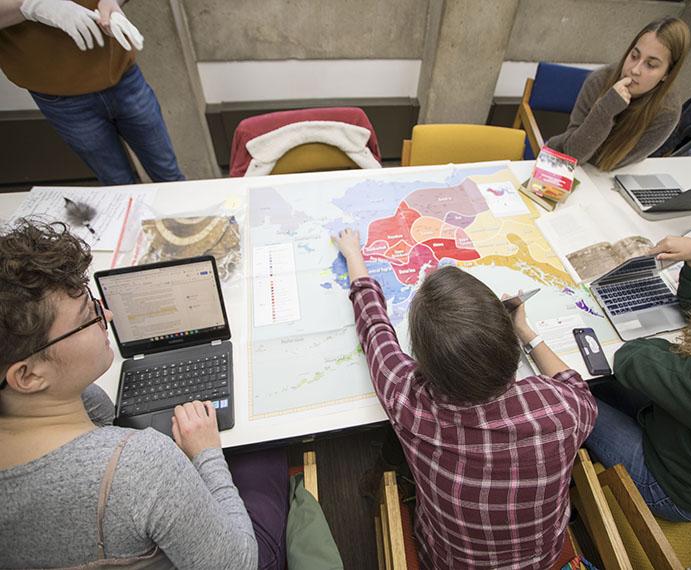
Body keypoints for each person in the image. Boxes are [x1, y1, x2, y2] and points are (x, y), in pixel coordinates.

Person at [0, 220, 287, 569]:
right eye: (87, 317)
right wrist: (207, 454)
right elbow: (238, 563)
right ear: (27, 376)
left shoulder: (33, 404)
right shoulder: (142, 465)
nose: (105, 314)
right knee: (266, 447)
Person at [332, 228, 597, 570]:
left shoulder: (409, 401)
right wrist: (525, 329)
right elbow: (575, 385)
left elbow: (374, 329)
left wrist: (354, 255)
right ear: (507, 346)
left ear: (425, 364)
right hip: (543, 562)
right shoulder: (560, 409)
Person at [584, 235, 691, 522]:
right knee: (599, 383)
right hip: (678, 434)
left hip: (673, 486)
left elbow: (633, 357)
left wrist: (678, 352)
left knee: (568, 397)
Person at [0, 0, 184, 185]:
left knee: (169, 174)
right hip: (61, 97)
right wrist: (30, 6)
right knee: (117, 185)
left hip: (124, 77)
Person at [546, 17, 691, 171]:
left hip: (605, 178)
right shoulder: (599, 80)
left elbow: (610, 163)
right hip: (565, 168)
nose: (635, 69)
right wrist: (606, 109)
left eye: (651, 65)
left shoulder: (667, 112)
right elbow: (572, 154)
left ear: (667, 74)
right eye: (634, 56)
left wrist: (574, 141)